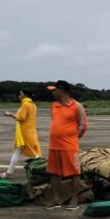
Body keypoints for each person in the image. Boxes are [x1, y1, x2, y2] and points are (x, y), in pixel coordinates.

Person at [44, 80, 88, 210]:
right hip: (54, 146)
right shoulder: (54, 106)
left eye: (55, 90)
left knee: (74, 173)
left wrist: (73, 138)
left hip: (69, 146)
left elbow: (83, 126)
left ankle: (74, 200)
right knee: (54, 173)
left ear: (62, 90)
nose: (53, 92)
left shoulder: (77, 106)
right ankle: (56, 199)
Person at [0, 89, 41, 178]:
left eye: (21, 94)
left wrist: (10, 114)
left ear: (25, 95)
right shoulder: (33, 105)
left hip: (25, 133)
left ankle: (42, 170)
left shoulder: (25, 104)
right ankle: (9, 172)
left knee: (34, 154)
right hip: (30, 131)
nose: (19, 96)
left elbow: (21, 118)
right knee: (20, 152)